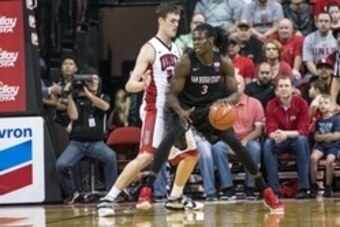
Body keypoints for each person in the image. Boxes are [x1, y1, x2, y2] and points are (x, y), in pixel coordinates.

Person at [138, 23, 284, 213]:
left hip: (210, 111)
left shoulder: (223, 62)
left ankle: (265, 191)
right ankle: (147, 188)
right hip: (186, 110)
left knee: (237, 144)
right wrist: (180, 112)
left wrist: (224, 102)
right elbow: (172, 95)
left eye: (200, 38)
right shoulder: (186, 61)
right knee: (170, 136)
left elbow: (234, 93)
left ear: (211, 40)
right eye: (194, 38)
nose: (196, 41)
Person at [96, 3, 183, 217]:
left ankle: (176, 197)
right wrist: (143, 84)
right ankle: (109, 198)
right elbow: (129, 85)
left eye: (178, 22)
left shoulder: (178, 48)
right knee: (145, 157)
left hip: (173, 111)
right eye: (172, 21)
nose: (175, 25)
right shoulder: (149, 48)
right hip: (155, 110)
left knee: (190, 154)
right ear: (161, 20)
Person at [55, 68, 118, 204]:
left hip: (96, 143)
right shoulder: (77, 99)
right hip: (77, 143)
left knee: (111, 156)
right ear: (85, 82)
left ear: (99, 81)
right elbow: (73, 116)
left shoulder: (103, 96)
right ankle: (72, 193)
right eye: (90, 80)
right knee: (61, 164)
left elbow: (105, 107)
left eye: (96, 79)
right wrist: (71, 96)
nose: (93, 82)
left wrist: (89, 95)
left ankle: (111, 193)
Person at [263, 76, 310, 199]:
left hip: (295, 140)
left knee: (302, 140)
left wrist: (286, 134)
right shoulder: (271, 104)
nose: (284, 89)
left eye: (286, 86)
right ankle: (275, 189)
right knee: (268, 143)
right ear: (277, 89)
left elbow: (304, 130)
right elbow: (270, 129)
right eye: (281, 86)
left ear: (292, 88)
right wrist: (275, 136)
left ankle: (303, 188)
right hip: (280, 141)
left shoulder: (302, 103)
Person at [310, 94, 340, 198]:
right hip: (322, 146)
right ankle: (314, 185)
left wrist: (323, 136)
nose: (323, 105)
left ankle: (328, 186)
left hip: (334, 146)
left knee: (329, 160)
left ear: (332, 105)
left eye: (326, 103)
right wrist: (328, 136)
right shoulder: (319, 120)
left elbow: (337, 136)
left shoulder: (336, 119)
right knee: (313, 158)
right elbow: (316, 137)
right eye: (321, 103)